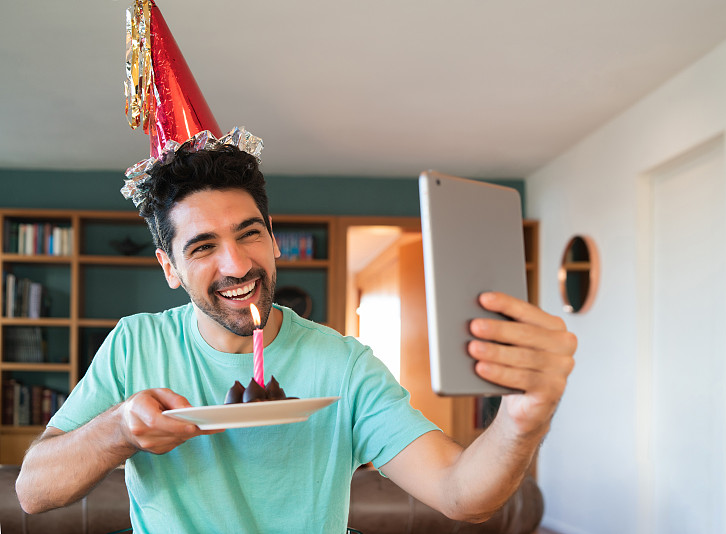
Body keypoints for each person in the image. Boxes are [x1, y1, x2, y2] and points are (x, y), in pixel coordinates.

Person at [15, 132, 576, 533]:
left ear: (275, 239)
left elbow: (461, 495)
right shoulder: (136, 345)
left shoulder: (345, 364)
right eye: (204, 246)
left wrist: (524, 418)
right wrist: (119, 430)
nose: (237, 265)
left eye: (249, 233)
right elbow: (33, 493)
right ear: (168, 267)